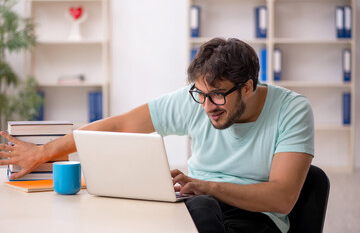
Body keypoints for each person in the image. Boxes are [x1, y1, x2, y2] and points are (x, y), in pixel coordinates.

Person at [0, 38, 314, 233]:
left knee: (201, 208)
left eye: (217, 96)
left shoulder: (292, 110)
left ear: (248, 86)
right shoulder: (202, 97)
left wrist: (207, 186)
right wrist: (42, 153)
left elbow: (281, 198)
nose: (207, 107)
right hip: (197, 205)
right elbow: (119, 125)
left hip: (255, 220)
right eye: (200, 95)